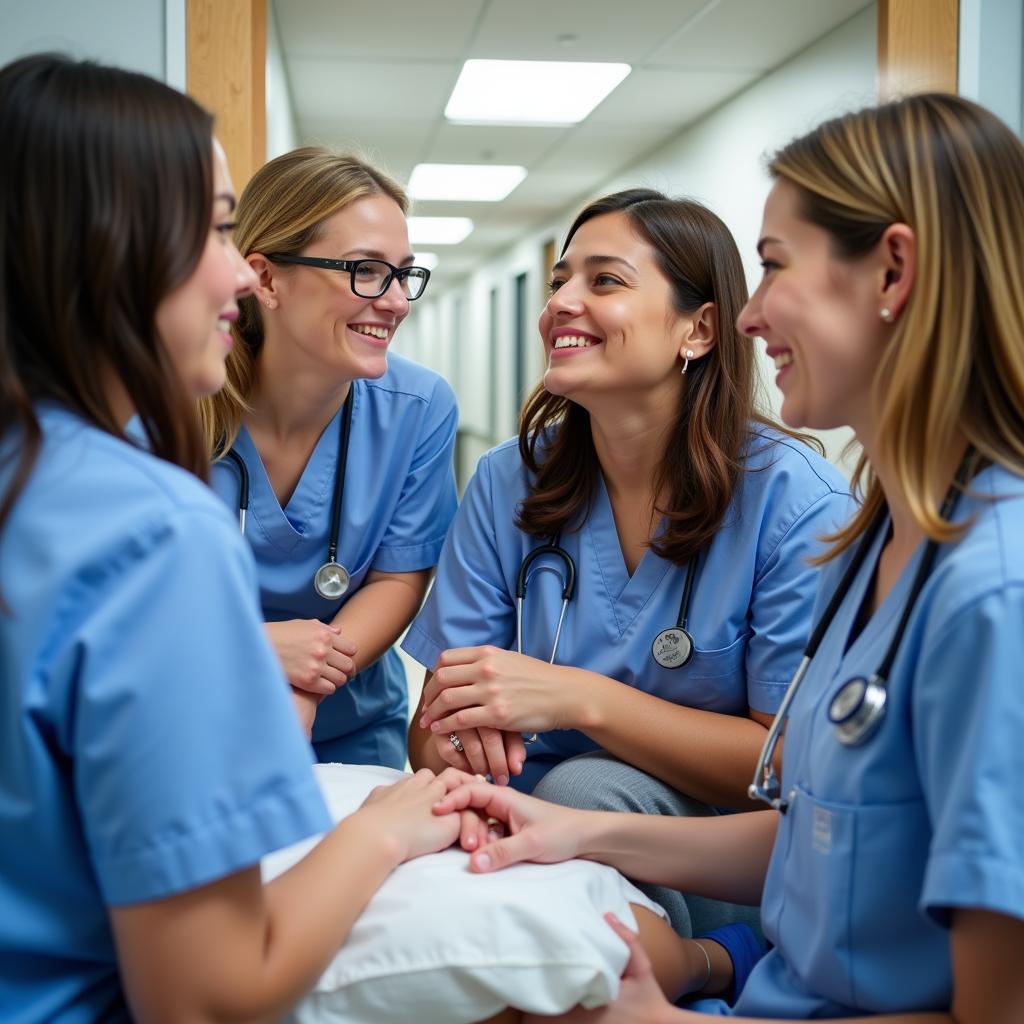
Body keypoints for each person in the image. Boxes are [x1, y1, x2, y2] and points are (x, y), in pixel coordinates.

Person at [432, 92, 1024, 1022]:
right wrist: (568, 831)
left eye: (776, 265)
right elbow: (814, 836)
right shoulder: (879, 536)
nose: (755, 315)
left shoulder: (987, 588)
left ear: (894, 272)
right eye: (558, 280)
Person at [0, 53, 473, 1023]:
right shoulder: (153, 528)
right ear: (109, 246)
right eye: (214, 229)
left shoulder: (33, 474)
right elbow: (208, 995)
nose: (234, 268)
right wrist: (384, 829)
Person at [405, 189, 850, 936]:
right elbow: (431, 727)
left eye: (603, 281)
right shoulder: (508, 480)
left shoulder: (793, 501)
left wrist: (581, 700)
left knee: (584, 786)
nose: (559, 306)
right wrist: (456, 750)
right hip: (523, 818)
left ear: (700, 329)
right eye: (557, 282)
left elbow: (785, 771)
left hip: (712, 854)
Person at [201, 148, 457, 768]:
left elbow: (399, 578)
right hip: (189, 711)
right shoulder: (179, 401)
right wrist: (256, 650)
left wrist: (305, 678)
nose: (396, 301)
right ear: (265, 279)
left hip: (348, 728)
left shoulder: (418, 407)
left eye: (404, 274)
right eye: (366, 271)